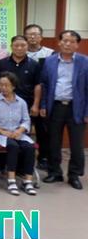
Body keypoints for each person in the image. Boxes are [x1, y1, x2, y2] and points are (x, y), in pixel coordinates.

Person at [40, 30, 88, 190]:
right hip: (55, 106)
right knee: (53, 142)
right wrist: (43, 105)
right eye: (65, 40)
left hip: (77, 108)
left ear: (77, 44)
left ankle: (74, 175)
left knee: (76, 144)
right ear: (59, 42)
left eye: (72, 41)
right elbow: (44, 85)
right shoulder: (49, 61)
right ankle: (55, 172)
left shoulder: (85, 62)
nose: (68, 44)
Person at [0, 35, 44, 169]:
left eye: (23, 45)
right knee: (4, 133)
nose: (19, 48)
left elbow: (38, 85)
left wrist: (36, 104)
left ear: (27, 47)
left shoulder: (34, 64)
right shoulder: (3, 63)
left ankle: (21, 168)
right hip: (3, 103)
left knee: (21, 134)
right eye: (16, 45)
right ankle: (3, 164)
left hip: (25, 104)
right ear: (11, 46)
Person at [0, 72, 37, 196]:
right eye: (1, 85)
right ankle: (11, 180)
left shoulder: (21, 102)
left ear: (13, 86)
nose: (3, 88)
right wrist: (2, 131)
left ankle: (28, 181)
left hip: (17, 133)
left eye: (6, 85)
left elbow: (26, 120)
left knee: (30, 147)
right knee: (13, 146)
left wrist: (19, 130)